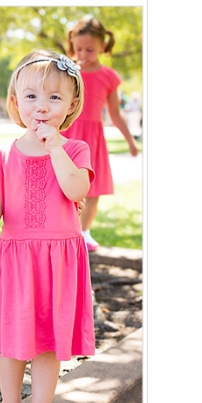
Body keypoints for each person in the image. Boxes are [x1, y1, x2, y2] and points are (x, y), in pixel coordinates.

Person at [0, 50, 96, 403]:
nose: (42, 106)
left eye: (54, 97)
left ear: (71, 104)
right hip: (19, 260)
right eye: (31, 97)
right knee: (14, 340)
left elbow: (76, 190)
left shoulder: (75, 150)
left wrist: (54, 147)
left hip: (59, 261)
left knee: (48, 343)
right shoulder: (3, 153)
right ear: (15, 101)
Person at [61, 16, 139, 251]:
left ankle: (84, 232)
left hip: (93, 138)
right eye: (78, 49)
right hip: (68, 133)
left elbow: (115, 112)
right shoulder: (67, 70)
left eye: (90, 49)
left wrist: (130, 141)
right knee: (63, 183)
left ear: (103, 47)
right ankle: (65, 231)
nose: (83, 54)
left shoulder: (109, 76)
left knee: (93, 188)